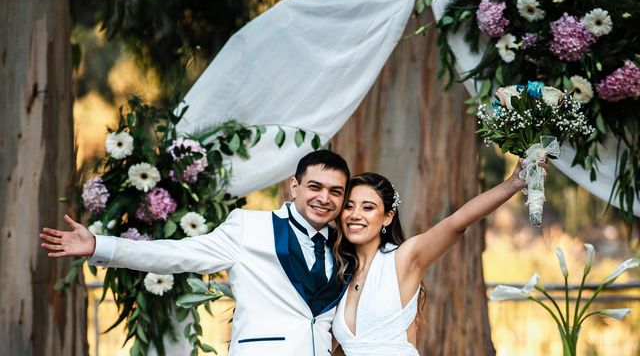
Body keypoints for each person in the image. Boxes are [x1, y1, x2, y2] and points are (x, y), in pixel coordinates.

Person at [40, 150, 350, 356]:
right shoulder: (249, 226)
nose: (324, 198)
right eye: (315, 187)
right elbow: (178, 254)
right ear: (295, 187)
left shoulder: (343, 247)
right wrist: (100, 244)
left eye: (335, 191)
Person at [331, 160, 532, 356]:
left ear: (388, 217)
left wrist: (512, 184)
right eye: (349, 206)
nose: (355, 214)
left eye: (367, 207)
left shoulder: (402, 258)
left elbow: (457, 223)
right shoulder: (340, 270)